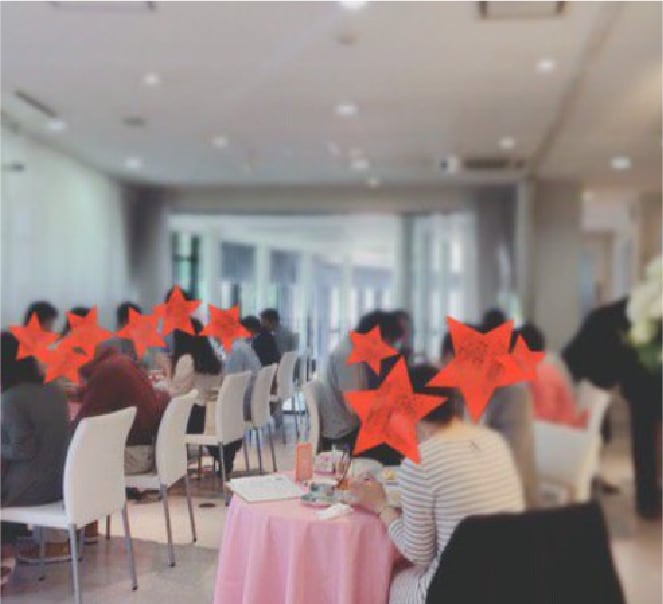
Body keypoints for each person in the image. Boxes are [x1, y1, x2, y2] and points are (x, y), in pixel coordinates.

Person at [349, 365, 524, 604]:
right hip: (510, 580)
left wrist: (381, 507)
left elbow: (418, 554)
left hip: (453, 591)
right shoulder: (493, 440)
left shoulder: (421, 461)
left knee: (383, 578)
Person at [563, 298, 662, 519]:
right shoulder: (627, 316)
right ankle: (648, 501)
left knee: (643, 439)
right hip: (639, 375)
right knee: (644, 439)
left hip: (637, 376)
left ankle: (648, 501)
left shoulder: (618, 315)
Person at [441, 328, 539, 508]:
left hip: (507, 502)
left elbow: (509, 459)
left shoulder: (513, 396)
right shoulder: (455, 399)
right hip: (462, 495)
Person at [1, 331, 70, 571]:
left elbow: (22, 450)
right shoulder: (54, 390)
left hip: (32, 490)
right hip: (59, 485)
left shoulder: (12, 398)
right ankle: (9, 542)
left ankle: (5, 547)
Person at [319, 311, 404, 465]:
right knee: (398, 448)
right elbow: (354, 406)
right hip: (343, 437)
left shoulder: (354, 348)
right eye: (389, 343)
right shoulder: (348, 356)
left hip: (351, 428)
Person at [75, 346, 170, 476]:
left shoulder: (106, 372)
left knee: (71, 457)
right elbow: (102, 391)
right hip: (147, 450)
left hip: (132, 457)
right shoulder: (121, 362)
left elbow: (83, 424)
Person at [519, 322, 587, 428]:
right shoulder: (546, 365)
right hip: (558, 425)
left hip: (557, 430)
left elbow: (546, 414)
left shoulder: (540, 373)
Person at [172, 317, 222, 433]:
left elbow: (177, 393)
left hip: (192, 418)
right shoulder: (213, 359)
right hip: (211, 415)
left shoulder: (187, 360)